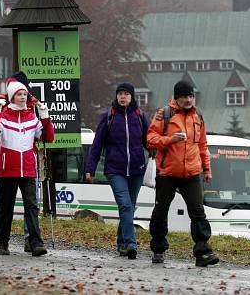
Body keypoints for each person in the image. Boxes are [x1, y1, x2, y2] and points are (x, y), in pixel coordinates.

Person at [0, 80, 54, 256]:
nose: (23, 97)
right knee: (6, 207)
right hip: (7, 170)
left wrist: (45, 117)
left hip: (27, 170)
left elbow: (48, 138)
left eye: (25, 94)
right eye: (19, 94)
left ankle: (35, 242)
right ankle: (3, 242)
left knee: (32, 206)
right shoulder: (3, 116)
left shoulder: (32, 117)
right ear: (12, 96)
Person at [147, 80, 219, 267]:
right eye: (184, 97)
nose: (188, 100)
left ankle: (203, 252)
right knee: (161, 211)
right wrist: (170, 140)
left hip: (192, 173)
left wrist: (207, 169)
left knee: (197, 212)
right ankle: (158, 249)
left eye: (191, 96)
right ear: (176, 98)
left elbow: (202, 145)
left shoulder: (199, 116)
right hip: (167, 172)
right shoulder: (164, 114)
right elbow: (150, 140)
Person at [85, 82, 150, 259]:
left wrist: (160, 156)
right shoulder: (109, 117)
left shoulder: (140, 116)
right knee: (125, 205)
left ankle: (122, 242)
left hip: (137, 169)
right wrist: (90, 169)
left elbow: (150, 141)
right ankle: (130, 243)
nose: (123, 97)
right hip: (115, 170)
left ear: (132, 96)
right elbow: (97, 145)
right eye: (120, 94)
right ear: (116, 96)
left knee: (130, 207)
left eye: (126, 94)